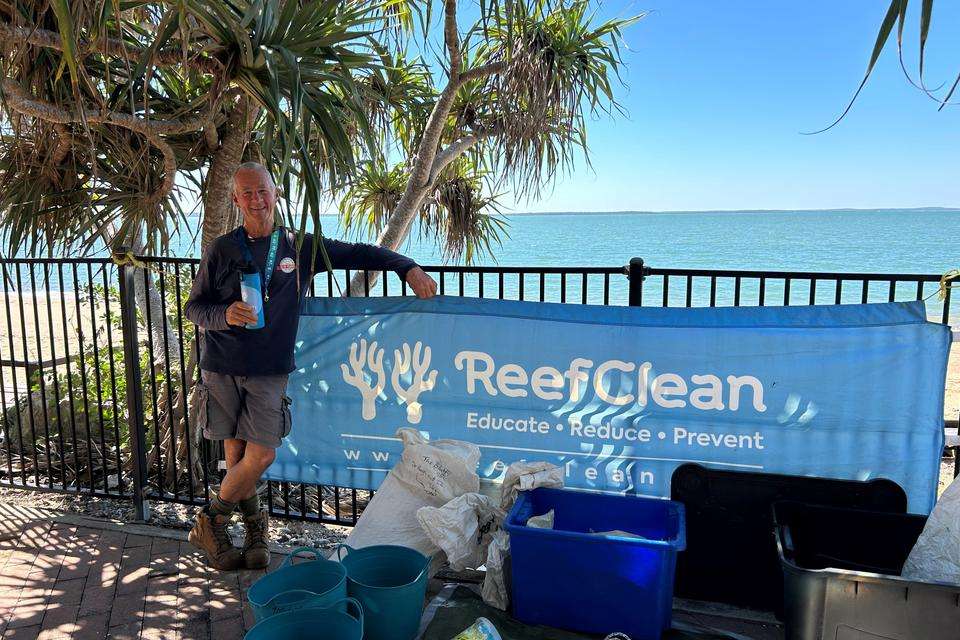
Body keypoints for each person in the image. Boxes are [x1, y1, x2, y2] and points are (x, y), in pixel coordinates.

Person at [184, 162, 437, 570]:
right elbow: (194, 308)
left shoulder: (298, 247)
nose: (256, 199)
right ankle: (252, 534)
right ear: (235, 199)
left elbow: (359, 252)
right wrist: (225, 314)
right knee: (234, 453)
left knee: (262, 454)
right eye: (246, 193)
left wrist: (406, 266)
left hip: (269, 368)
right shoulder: (221, 250)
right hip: (222, 364)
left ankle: (209, 520)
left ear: (275, 193)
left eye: (262, 190)